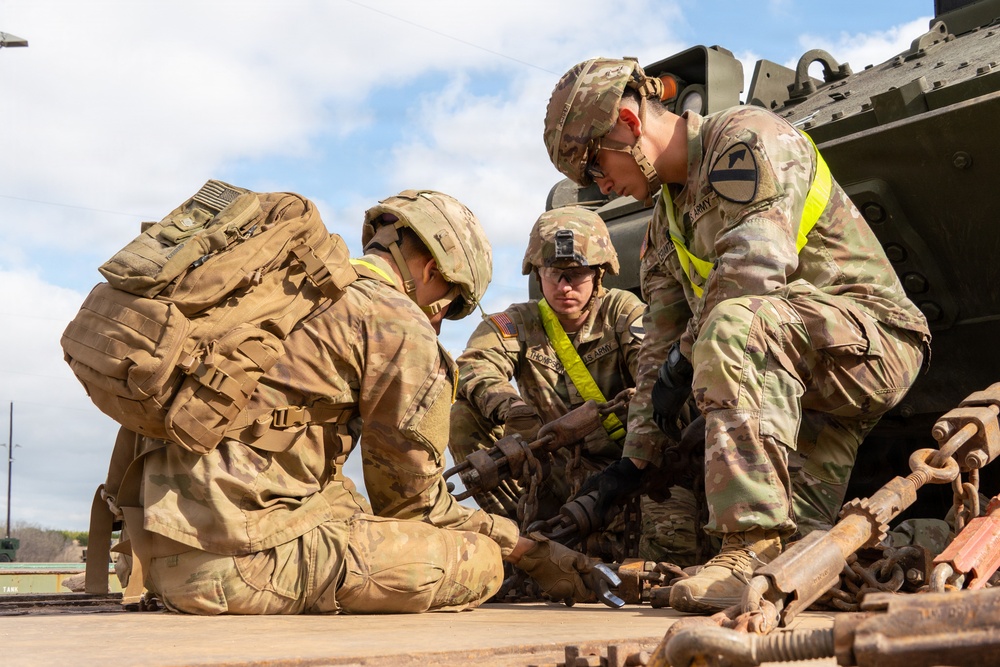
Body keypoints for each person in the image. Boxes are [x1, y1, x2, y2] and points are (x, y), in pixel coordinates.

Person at [542, 58, 931, 613]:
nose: (599, 185)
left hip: (873, 344)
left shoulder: (745, 139)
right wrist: (634, 463)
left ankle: (746, 545)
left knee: (734, 322)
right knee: (802, 567)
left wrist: (684, 359)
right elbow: (658, 352)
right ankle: (926, 548)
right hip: (802, 381)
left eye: (593, 165)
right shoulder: (663, 227)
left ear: (628, 121)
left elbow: (753, 272)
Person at [115, 189, 596, 614]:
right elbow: (412, 507)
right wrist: (522, 548)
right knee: (481, 562)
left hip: (153, 553)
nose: (438, 319)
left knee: (346, 504)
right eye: (448, 306)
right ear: (432, 271)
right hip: (237, 566)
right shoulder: (396, 319)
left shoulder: (285, 288)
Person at [449, 206, 699, 564]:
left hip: (631, 472)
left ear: (599, 274)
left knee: (671, 549)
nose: (564, 286)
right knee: (463, 417)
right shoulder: (518, 322)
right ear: (538, 273)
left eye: (576, 275)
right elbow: (475, 365)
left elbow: (652, 372)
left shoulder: (623, 313)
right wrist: (512, 408)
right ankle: (521, 540)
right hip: (549, 475)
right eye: (555, 274)